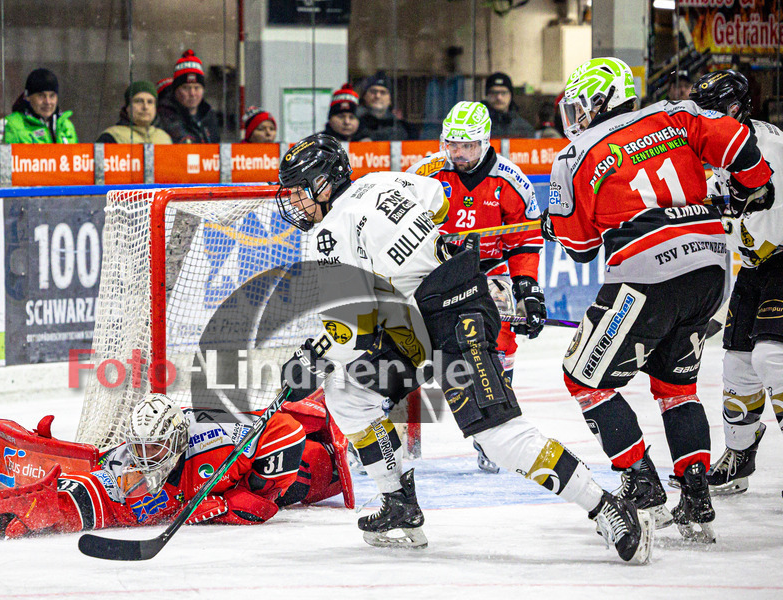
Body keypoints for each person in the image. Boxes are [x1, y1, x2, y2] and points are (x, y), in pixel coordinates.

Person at [275, 133, 654, 563]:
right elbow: (437, 199)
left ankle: (606, 506)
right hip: (416, 323)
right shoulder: (383, 180)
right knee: (349, 391)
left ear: (324, 185)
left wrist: (312, 358)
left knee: (497, 438)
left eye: (299, 192)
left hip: (454, 316)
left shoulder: (327, 234)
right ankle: (399, 504)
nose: (295, 204)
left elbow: (348, 331)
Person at [546, 57, 773, 543]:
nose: (574, 118)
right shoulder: (675, 113)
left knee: (583, 377)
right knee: (677, 389)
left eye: (578, 106)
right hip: (711, 270)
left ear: (598, 102)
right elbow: (737, 142)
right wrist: (754, 186)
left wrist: (555, 223)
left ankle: (641, 482)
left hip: (646, 275)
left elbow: (581, 249)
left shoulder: (574, 156)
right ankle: (695, 495)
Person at [0, 392, 353, 537]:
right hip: (267, 473)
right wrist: (51, 508)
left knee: (315, 461)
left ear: (178, 444)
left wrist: (249, 499)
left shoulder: (213, 438)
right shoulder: (131, 464)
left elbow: (284, 429)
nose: (147, 459)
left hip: (319, 460)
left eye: (157, 450)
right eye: (140, 448)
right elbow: (99, 493)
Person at [407, 101, 544, 474]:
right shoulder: (426, 174)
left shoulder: (510, 180)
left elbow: (525, 242)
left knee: (498, 346)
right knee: (407, 342)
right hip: (436, 270)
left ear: (485, 143)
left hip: (489, 271)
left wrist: (528, 290)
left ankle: (495, 431)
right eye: (452, 144)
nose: (459, 153)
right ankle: (399, 433)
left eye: (468, 146)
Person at [689, 70, 781, 496]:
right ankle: (740, 456)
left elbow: (761, 193)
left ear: (733, 110)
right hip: (752, 270)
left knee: (772, 359)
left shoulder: (771, 145)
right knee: (738, 368)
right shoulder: (715, 157)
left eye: (708, 112)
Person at [0, 68, 77, 144]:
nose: (47, 102)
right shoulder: (10, 125)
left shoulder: (66, 125)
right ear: (27, 97)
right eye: (41, 96)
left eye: (52, 96)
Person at [158, 50, 220, 144]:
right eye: (186, 88)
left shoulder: (209, 115)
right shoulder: (165, 116)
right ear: (175, 91)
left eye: (197, 88)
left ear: (203, 90)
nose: (192, 93)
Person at [97, 80, 172, 144]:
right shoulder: (112, 137)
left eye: (150, 102)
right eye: (139, 101)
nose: (145, 107)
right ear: (127, 107)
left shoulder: (164, 138)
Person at [357, 71, 415, 141]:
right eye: (373, 92)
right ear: (365, 97)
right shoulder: (355, 124)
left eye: (383, 92)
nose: (377, 96)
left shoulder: (400, 126)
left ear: (390, 100)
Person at [482, 72, 535, 139]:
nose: (499, 97)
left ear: (511, 95)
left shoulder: (523, 128)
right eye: (494, 93)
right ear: (487, 95)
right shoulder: (475, 126)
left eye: (503, 93)